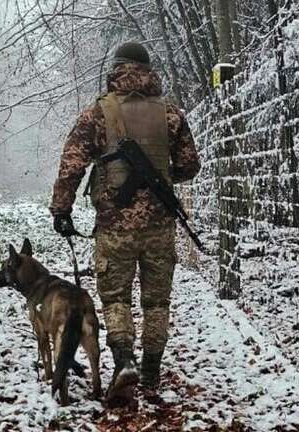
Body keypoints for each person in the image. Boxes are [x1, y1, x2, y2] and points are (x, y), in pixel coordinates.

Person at [49, 42, 201, 405]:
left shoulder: (97, 114)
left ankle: (123, 361)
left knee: (115, 297)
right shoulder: (171, 114)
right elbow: (190, 166)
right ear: (149, 70)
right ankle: (150, 372)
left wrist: (61, 210)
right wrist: (159, 183)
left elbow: (71, 166)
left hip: (113, 227)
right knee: (156, 303)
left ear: (115, 69)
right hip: (160, 228)